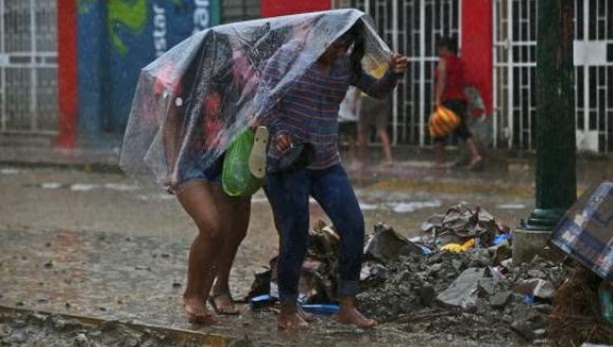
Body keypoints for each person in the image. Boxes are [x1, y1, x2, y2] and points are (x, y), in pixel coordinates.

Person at [258, 22, 407, 330]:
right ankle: (287, 309)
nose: (339, 52)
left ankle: (347, 305)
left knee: (353, 225)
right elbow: (263, 100)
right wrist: (280, 131)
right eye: (336, 45)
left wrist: (393, 73)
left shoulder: (344, 64)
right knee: (295, 235)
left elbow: (376, 90)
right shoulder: (288, 58)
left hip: (326, 162)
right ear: (320, 37)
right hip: (288, 163)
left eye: (346, 47)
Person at [160, 32, 256, 324]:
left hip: (223, 158)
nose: (217, 64)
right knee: (211, 226)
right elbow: (170, 122)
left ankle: (208, 294)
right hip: (189, 160)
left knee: (229, 232)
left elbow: (248, 108)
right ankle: (192, 294)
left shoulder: (233, 75)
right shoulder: (179, 76)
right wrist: (173, 165)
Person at [432, 35, 484, 170]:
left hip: (448, 100)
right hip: (460, 100)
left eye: (439, 48)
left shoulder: (444, 61)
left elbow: (442, 81)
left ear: (445, 48)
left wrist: (437, 100)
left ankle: (439, 161)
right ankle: (475, 155)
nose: (438, 52)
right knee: (462, 129)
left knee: (438, 131)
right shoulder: (460, 62)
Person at [357, 64, 394, 167]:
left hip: (368, 96)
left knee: (363, 130)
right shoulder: (385, 59)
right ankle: (389, 159)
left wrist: (356, 98)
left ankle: (361, 160)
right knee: (382, 130)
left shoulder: (365, 60)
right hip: (383, 96)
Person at [338, 86, 361, 166]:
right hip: (340, 116)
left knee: (352, 139)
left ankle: (353, 159)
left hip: (351, 117)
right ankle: (338, 160)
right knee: (338, 140)